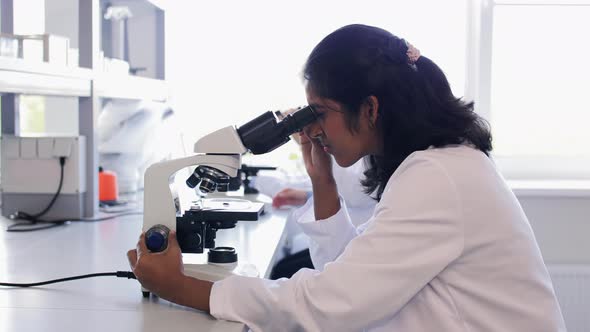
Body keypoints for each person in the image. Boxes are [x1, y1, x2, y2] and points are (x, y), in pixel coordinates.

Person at [127, 24, 566, 331]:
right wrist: (323, 184)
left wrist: (180, 288)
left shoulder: (437, 176)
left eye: (320, 113)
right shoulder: (439, 163)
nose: (311, 129)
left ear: (371, 109)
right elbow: (354, 277)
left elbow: (330, 306)